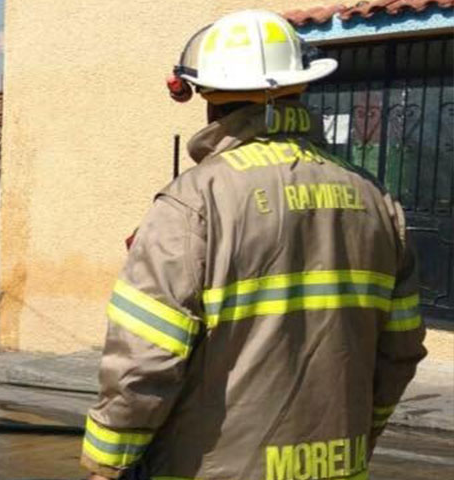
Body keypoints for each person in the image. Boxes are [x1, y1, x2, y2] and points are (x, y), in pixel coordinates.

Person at [81, 10, 427, 480]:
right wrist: (360, 435)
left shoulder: (193, 203)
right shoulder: (376, 200)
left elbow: (143, 359)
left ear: (209, 99)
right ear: (300, 89)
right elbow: (401, 349)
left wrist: (107, 462)